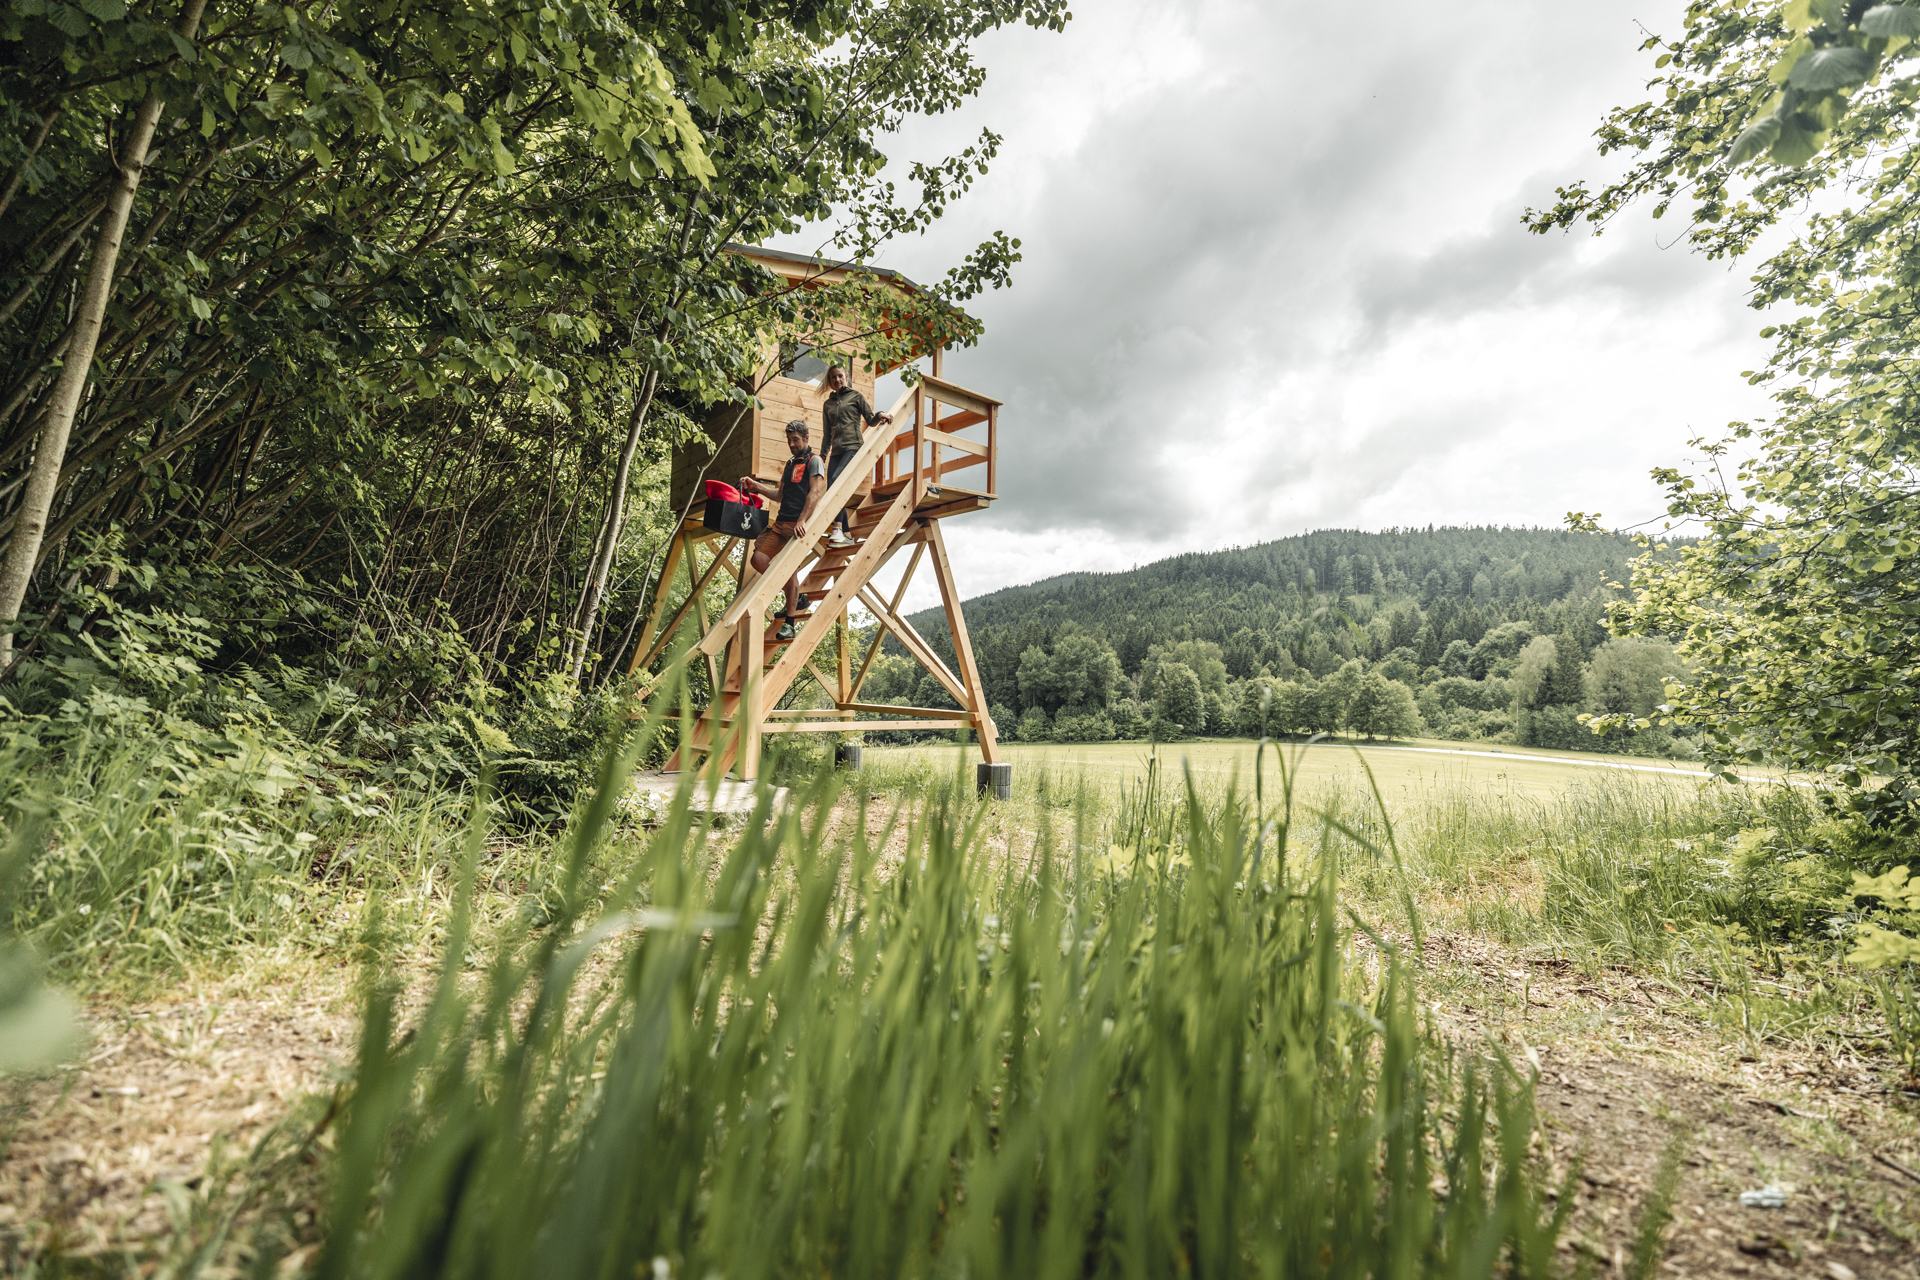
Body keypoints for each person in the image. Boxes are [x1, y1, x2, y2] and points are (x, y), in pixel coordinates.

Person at [739, 421, 826, 640]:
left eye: (795, 439)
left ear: (806, 438)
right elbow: (779, 495)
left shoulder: (814, 462)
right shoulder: (790, 463)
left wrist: (802, 521)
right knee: (758, 559)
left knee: (789, 569)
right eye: (789, 440)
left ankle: (789, 623)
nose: (791, 444)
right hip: (780, 523)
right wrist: (755, 486)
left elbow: (814, 494)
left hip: (798, 526)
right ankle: (795, 598)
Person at [818, 363, 891, 549]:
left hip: (853, 447)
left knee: (836, 480)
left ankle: (837, 528)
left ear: (847, 376)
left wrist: (880, 414)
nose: (837, 380)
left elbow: (870, 419)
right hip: (836, 450)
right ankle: (847, 534)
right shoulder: (828, 404)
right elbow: (827, 435)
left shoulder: (856, 396)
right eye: (833, 377)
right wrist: (821, 457)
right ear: (830, 380)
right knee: (832, 487)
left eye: (840, 376)